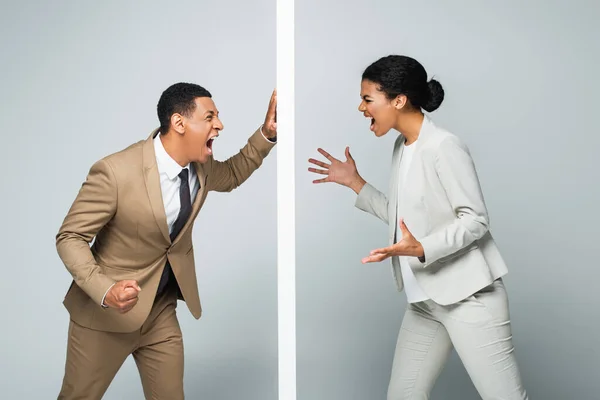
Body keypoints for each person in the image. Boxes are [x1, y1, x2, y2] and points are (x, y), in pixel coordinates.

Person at [308, 55, 528, 399]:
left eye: (368, 99)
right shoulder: (403, 145)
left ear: (399, 100)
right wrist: (355, 183)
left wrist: (423, 248)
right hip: (426, 301)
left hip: (470, 299)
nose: (360, 107)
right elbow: (403, 220)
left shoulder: (443, 146)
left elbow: (475, 219)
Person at [55, 82, 277, 399]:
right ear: (179, 123)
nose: (220, 125)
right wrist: (105, 289)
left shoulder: (201, 167)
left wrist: (267, 133)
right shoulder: (116, 172)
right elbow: (70, 237)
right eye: (210, 116)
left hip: (159, 312)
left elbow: (231, 174)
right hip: (105, 317)